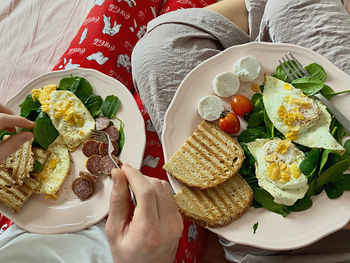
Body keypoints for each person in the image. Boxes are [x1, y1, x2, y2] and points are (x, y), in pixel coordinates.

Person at [131, 0, 350, 262]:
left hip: (255, 250)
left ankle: (258, 15)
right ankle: (262, 18)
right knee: (291, 7)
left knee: (157, 51)